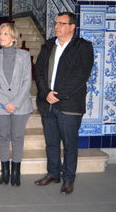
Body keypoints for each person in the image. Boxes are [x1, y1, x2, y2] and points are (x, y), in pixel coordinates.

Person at [34, 12, 94, 195]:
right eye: (56, 23)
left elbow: (81, 76)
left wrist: (58, 95)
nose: (56, 26)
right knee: (51, 142)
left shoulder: (83, 47)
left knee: (69, 144)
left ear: (72, 26)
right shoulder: (48, 45)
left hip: (69, 106)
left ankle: (68, 179)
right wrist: (46, 93)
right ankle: (53, 173)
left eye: (61, 23)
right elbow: (39, 72)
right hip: (48, 104)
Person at [0, 23, 33, 186]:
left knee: (17, 137)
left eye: (6, 33)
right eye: (0, 33)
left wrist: (14, 103)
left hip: (21, 105)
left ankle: (16, 172)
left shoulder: (24, 55)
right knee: (3, 137)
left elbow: (27, 81)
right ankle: (5, 171)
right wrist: (5, 102)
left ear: (13, 38)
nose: (1, 36)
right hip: (0, 104)